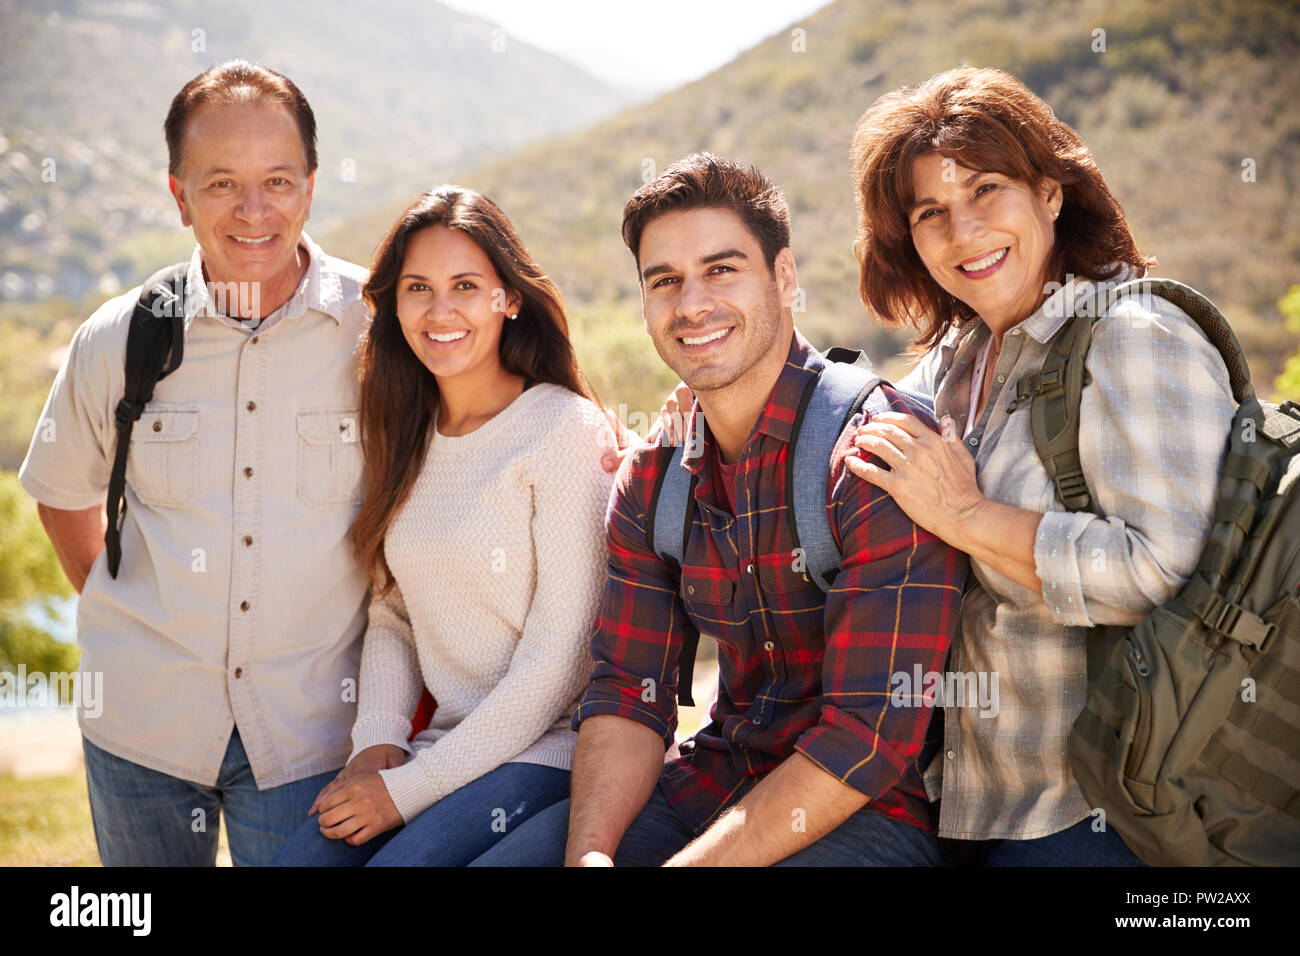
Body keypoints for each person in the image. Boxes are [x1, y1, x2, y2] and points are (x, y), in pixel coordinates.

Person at [471, 153, 968, 867]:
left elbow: (867, 737)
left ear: (785, 277)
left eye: (722, 270)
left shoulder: (876, 459)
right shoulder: (655, 478)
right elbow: (628, 695)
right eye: (664, 281)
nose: (692, 304)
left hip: (868, 810)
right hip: (713, 782)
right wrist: (591, 855)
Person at [845, 66, 1235, 865]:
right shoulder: (961, 358)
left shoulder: (1133, 335)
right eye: (932, 213)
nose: (964, 232)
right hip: (968, 800)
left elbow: (1172, 572)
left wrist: (968, 518)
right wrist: (708, 410)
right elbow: (848, 415)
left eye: (988, 189)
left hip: (1103, 809)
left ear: (1050, 193)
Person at [18, 60, 379, 866]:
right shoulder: (116, 338)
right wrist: (135, 621)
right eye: (221, 184)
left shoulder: (379, 331)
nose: (254, 211)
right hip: (141, 731)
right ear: (179, 195)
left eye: (278, 181)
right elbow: (60, 493)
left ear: (311, 187)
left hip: (313, 737)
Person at [272, 186, 616, 866]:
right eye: (418, 288)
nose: (440, 310)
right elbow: (394, 612)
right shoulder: (405, 436)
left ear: (509, 297)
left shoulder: (561, 430)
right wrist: (378, 742)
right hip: (444, 752)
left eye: (466, 285)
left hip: (552, 749)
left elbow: (561, 658)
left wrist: (406, 791)